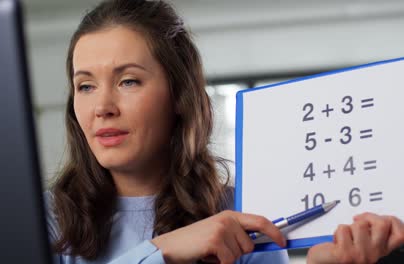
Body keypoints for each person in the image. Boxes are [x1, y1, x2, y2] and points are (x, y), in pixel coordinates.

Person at [44, 0, 404, 263]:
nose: (102, 107)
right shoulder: (45, 217)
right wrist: (163, 250)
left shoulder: (240, 217)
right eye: (86, 86)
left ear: (179, 97)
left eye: (128, 81)